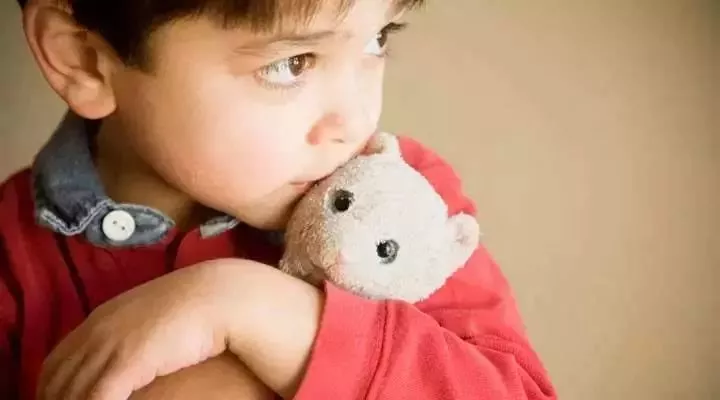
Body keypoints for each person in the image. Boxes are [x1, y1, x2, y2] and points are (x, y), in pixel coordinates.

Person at [1, 0, 557, 399]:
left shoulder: (403, 200)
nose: (357, 121)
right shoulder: (10, 257)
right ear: (84, 59)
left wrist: (250, 308)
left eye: (377, 41)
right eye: (292, 63)